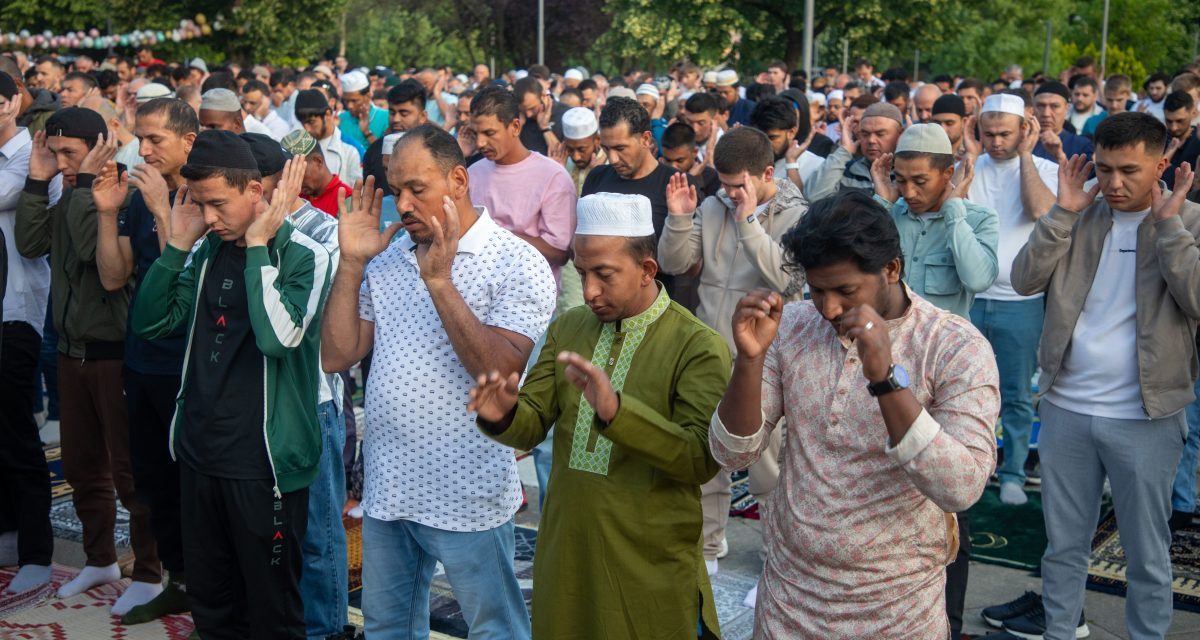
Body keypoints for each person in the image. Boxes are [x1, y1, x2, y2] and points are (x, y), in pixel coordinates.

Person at [711, 190, 999, 638]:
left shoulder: (954, 347)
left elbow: (961, 487)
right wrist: (749, 360)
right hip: (789, 600)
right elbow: (731, 453)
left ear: (891, 269)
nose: (829, 308)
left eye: (845, 291)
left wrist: (886, 379)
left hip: (898, 610)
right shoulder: (793, 326)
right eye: (816, 290)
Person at [320, 124, 554, 639]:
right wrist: (352, 263)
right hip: (389, 483)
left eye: (416, 189)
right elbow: (336, 355)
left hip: (467, 488)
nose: (402, 204)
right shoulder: (388, 258)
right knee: (387, 627)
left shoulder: (516, 261)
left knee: (494, 628)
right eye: (395, 189)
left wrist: (440, 282)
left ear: (458, 181)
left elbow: (499, 372)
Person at [471, 191, 730, 638]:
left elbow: (699, 460)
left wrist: (617, 414)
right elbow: (531, 424)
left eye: (604, 275)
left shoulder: (697, 346)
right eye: (581, 273)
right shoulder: (569, 326)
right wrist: (504, 414)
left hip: (648, 559)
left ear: (647, 270)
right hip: (568, 550)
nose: (589, 291)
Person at [129, 130, 331, 639]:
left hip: (264, 465)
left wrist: (258, 245)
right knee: (212, 603)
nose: (209, 217)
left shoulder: (304, 254)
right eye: (200, 204)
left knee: (271, 608)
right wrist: (178, 243)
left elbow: (276, 339)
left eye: (217, 204)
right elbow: (151, 323)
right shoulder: (205, 249)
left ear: (255, 191)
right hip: (200, 453)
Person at [1006, 113, 1200, 640]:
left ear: (1161, 166)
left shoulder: (1189, 220)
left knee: (1147, 554)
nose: (1114, 183)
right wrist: (1061, 214)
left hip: (1146, 417)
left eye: (1129, 171)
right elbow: (1024, 280)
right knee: (1063, 548)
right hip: (1066, 408)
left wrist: (1169, 228)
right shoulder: (1079, 213)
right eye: (1104, 168)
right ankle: (1059, 631)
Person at [15, 107, 164, 612]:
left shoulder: (120, 196)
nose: (61, 162)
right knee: (82, 467)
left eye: (70, 153)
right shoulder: (70, 192)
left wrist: (81, 185)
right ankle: (99, 560)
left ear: (100, 149)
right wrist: (38, 182)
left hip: (116, 354)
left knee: (130, 473)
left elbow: (89, 254)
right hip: (70, 351)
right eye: (54, 153)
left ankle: (150, 572)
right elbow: (30, 242)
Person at [659, 126, 808, 572]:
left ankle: (777, 558)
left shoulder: (797, 213)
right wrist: (679, 218)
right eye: (724, 185)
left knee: (768, 466)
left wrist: (747, 221)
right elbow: (674, 263)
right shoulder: (712, 205)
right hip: (709, 349)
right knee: (708, 456)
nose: (730, 194)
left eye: (738, 185)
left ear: (767, 174)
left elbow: (788, 280)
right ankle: (708, 547)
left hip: (763, 356)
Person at [241, 132, 354, 640]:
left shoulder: (326, 233)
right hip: (249, 400)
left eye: (251, 188)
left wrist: (262, 238)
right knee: (260, 529)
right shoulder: (231, 231)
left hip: (311, 401)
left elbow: (290, 326)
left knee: (317, 534)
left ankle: (325, 630)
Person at [91, 98, 198, 624]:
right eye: (140, 139)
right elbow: (114, 277)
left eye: (156, 139)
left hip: (191, 363)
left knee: (196, 482)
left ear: (189, 141)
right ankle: (178, 580)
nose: (144, 150)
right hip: (143, 359)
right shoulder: (138, 196)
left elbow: (188, 271)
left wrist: (161, 209)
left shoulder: (206, 195)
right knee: (152, 479)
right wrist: (107, 213)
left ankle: (214, 594)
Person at [965, 93, 1059, 507]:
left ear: (1026, 129)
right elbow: (954, 211)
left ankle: (1013, 473)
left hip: (1021, 301)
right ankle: (970, 469)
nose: (996, 142)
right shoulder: (970, 166)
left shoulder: (1045, 170)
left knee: (1017, 394)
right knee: (964, 389)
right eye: (989, 134)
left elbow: (1040, 211)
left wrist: (1025, 157)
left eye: (1005, 134)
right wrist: (969, 158)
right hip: (970, 297)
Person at [0, 70, 54, 597]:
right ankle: (9, 534)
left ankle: (37, 552)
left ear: (11, 102)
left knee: (17, 430)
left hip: (16, 311)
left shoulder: (31, 157)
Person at [869, 123, 997, 318]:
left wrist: (953, 213)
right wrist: (880, 204)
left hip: (944, 337)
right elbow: (851, 265)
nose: (909, 192)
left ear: (947, 173)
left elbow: (978, 281)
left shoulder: (979, 219)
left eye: (920, 182)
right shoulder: (887, 213)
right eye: (901, 180)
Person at [582, 97, 698, 301]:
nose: (612, 159)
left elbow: (690, 265)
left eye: (620, 148)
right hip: (599, 302)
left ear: (645, 139)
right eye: (606, 149)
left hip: (656, 305)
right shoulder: (597, 177)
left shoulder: (677, 185)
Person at [467, 85, 576, 281]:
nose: (480, 143)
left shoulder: (553, 177)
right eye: (475, 134)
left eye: (489, 133)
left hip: (528, 290)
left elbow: (559, 253)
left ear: (515, 127)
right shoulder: (473, 173)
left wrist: (493, 235)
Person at [806, 102, 904, 201]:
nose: (871, 140)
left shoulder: (906, 175)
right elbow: (814, 197)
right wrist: (844, 150)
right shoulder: (845, 170)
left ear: (900, 134)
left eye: (880, 134)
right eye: (865, 134)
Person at [361, 80, 429, 198]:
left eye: (404, 113)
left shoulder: (434, 150)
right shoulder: (375, 150)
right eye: (392, 113)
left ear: (422, 116)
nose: (396, 119)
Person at [749, 96, 822, 191]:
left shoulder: (816, 166)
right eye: (760, 137)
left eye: (772, 137)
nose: (765, 144)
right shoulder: (750, 160)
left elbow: (797, 199)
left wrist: (791, 163)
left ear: (791, 132)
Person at [295, 88, 363, 187]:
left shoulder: (351, 149)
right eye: (303, 123)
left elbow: (357, 190)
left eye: (311, 122)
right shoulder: (298, 148)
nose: (307, 129)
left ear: (327, 114)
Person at [282, 129, 352, 218]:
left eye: (299, 172)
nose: (296, 181)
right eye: (291, 175)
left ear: (318, 161)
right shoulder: (295, 198)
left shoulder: (347, 200)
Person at [1033, 82, 1094, 165]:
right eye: (1040, 106)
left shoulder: (1082, 146)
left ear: (1067, 108)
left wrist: (1060, 156)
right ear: (1032, 108)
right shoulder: (1021, 141)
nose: (1046, 114)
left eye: (1055, 106)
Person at [659, 122, 720, 201]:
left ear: (694, 152)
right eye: (668, 160)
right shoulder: (658, 174)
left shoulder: (711, 177)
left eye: (680, 160)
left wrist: (691, 179)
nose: (673, 166)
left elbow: (706, 207)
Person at [556, 106, 605, 194]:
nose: (576, 157)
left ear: (597, 140)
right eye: (570, 149)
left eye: (582, 149)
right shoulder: (562, 164)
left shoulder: (610, 166)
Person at [338, 71, 388, 151]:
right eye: (346, 101)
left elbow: (386, 153)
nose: (349, 106)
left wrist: (367, 132)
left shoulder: (385, 117)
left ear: (368, 96)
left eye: (354, 101)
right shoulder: (341, 118)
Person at [199, 88, 273, 138]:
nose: (203, 131)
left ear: (237, 124)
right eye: (201, 125)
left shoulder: (260, 150)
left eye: (212, 126)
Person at [1164, 91, 1200, 191]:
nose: (1174, 127)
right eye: (1169, 121)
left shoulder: (1198, 140)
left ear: (1193, 113)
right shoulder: (1159, 138)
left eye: (1180, 121)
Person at [679, 92, 722, 165]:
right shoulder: (682, 140)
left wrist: (710, 153)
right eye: (690, 122)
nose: (695, 129)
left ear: (714, 119)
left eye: (701, 123)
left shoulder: (727, 146)